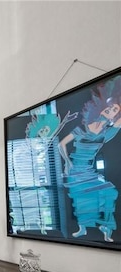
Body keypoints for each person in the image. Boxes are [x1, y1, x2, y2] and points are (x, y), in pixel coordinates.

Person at [58, 76, 121, 242]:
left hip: (89, 170)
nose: (110, 113)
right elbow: (61, 145)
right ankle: (83, 229)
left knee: (109, 192)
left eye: (115, 110)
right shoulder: (82, 129)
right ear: (100, 108)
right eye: (108, 109)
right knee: (81, 199)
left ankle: (106, 230)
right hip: (75, 169)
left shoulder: (107, 133)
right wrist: (67, 162)